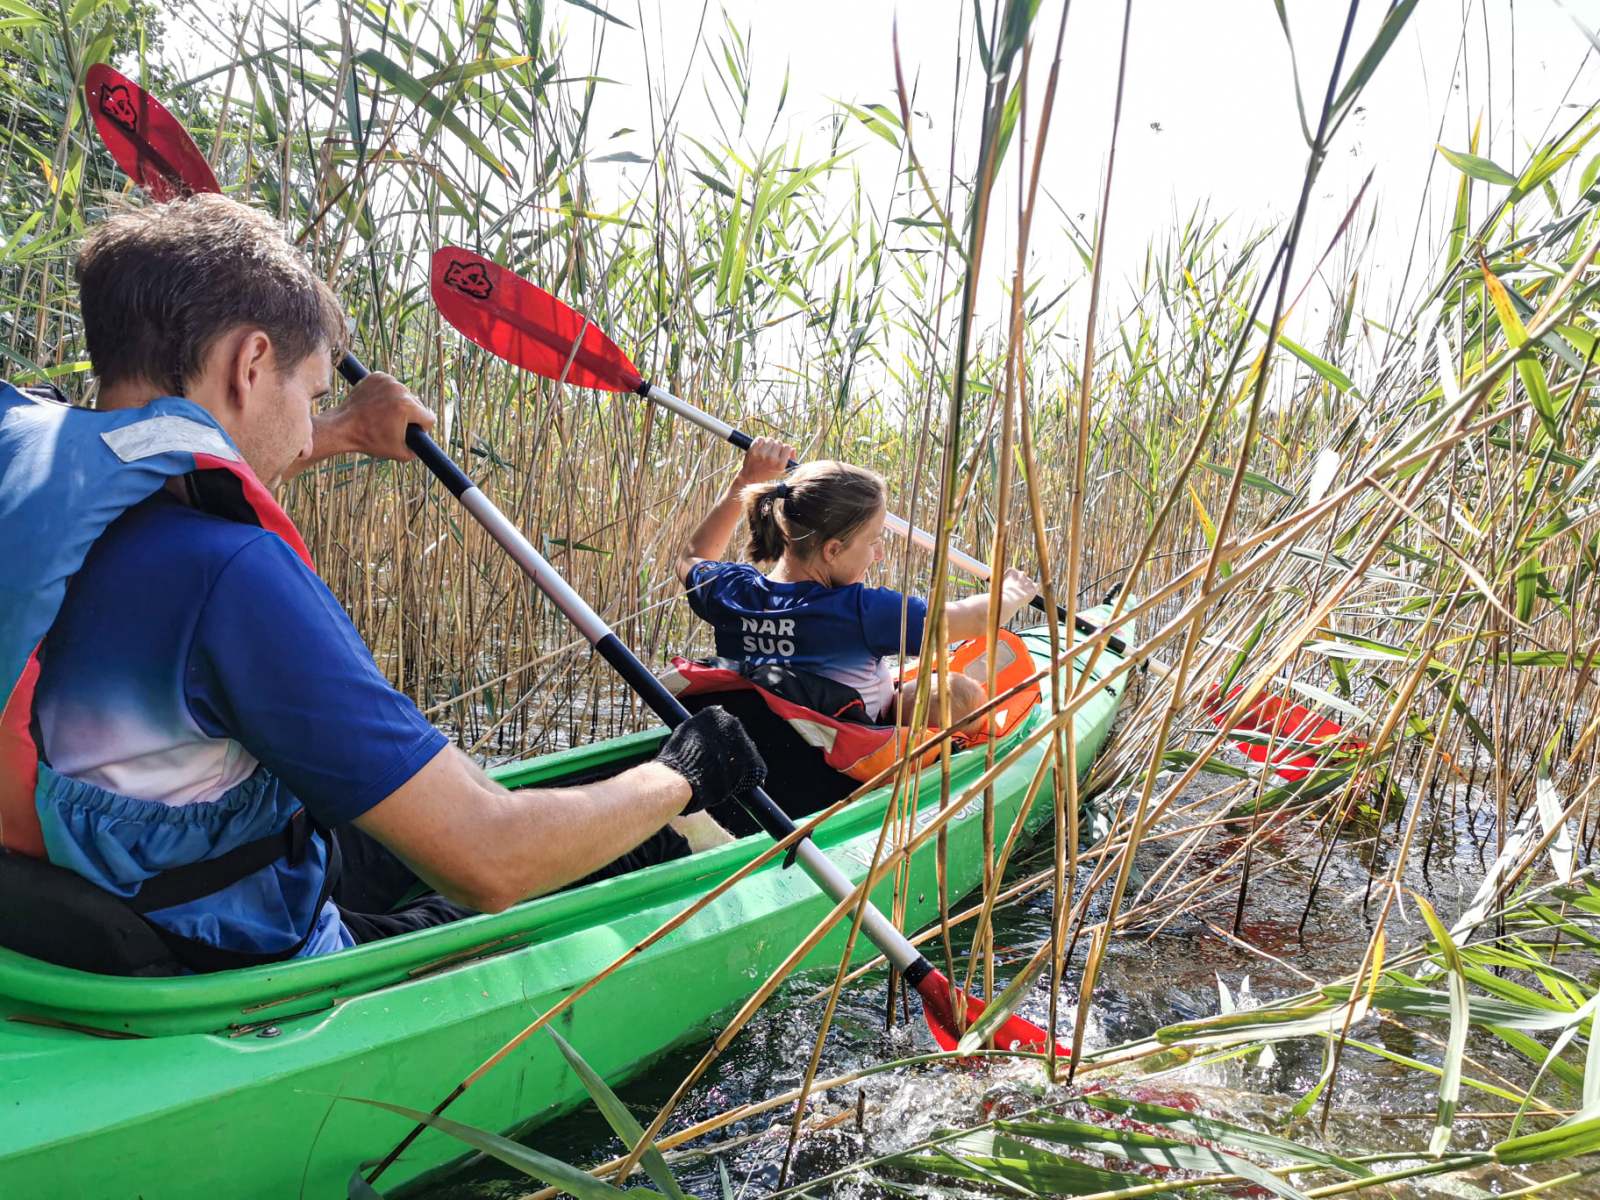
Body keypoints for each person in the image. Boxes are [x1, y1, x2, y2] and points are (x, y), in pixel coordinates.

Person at [0, 194, 765, 974]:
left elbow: (164, 456)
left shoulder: (34, 480)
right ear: (250, 363)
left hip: (90, 909)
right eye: (311, 397)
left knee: (369, 826)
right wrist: (680, 775)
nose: (306, 433)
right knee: (634, 847)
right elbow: (491, 859)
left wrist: (346, 431)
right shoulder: (232, 574)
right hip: (238, 957)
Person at [674, 437, 1040, 732]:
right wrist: (1013, 592)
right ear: (833, 550)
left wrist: (745, 481)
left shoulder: (733, 593)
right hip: (842, 765)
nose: (878, 555)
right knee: (956, 692)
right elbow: (978, 619)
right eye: (874, 541)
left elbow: (691, 558)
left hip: (760, 744)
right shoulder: (861, 613)